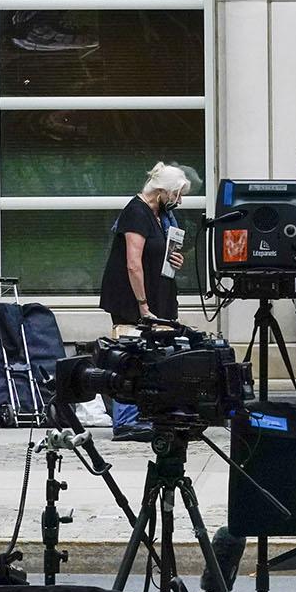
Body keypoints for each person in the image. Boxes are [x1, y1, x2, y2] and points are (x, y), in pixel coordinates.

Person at [97, 161, 190, 441]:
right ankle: (125, 419)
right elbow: (133, 263)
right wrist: (142, 305)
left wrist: (175, 259)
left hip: (157, 290)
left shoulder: (160, 214)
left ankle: (144, 412)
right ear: (162, 191)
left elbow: (156, 252)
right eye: (176, 194)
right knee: (129, 354)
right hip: (132, 297)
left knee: (151, 355)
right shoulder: (136, 213)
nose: (179, 200)